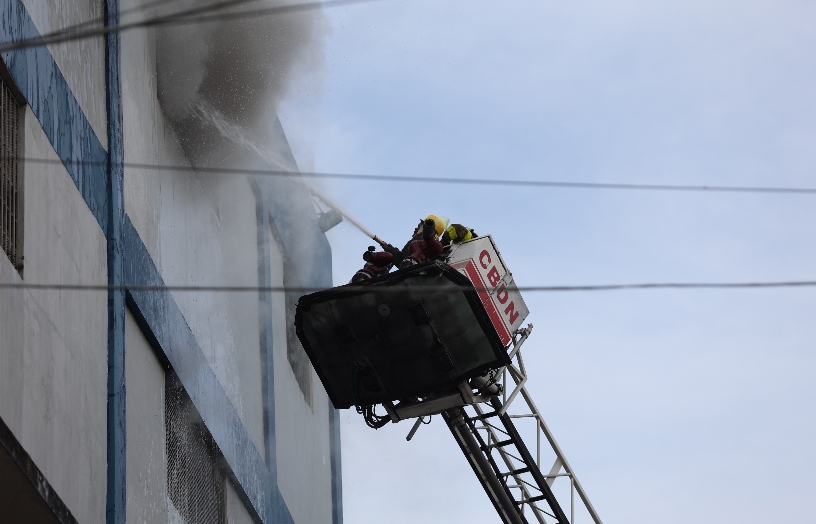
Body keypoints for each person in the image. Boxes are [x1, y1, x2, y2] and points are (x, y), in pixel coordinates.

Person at [349, 215, 449, 283]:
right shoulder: (421, 240)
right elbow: (403, 261)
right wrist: (393, 251)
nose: (416, 228)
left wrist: (393, 253)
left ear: (427, 228)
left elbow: (404, 261)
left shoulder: (421, 240)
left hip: (417, 277)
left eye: (419, 225)